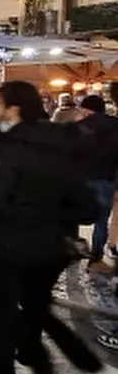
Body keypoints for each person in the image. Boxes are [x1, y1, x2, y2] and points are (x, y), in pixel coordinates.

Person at [0, 81, 118, 374]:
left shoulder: (12, 147)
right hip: (51, 247)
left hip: (8, 248)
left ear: (12, 109)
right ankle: (81, 371)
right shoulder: (63, 142)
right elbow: (86, 206)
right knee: (36, 313)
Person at [75, 94, 118, 274]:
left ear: (87, 109)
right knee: (101, 221)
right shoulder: (116, 125)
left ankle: (73, 250)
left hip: (80, 179)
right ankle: (95, 259)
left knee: (72, 215)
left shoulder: (79, 126)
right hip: (106, 179)